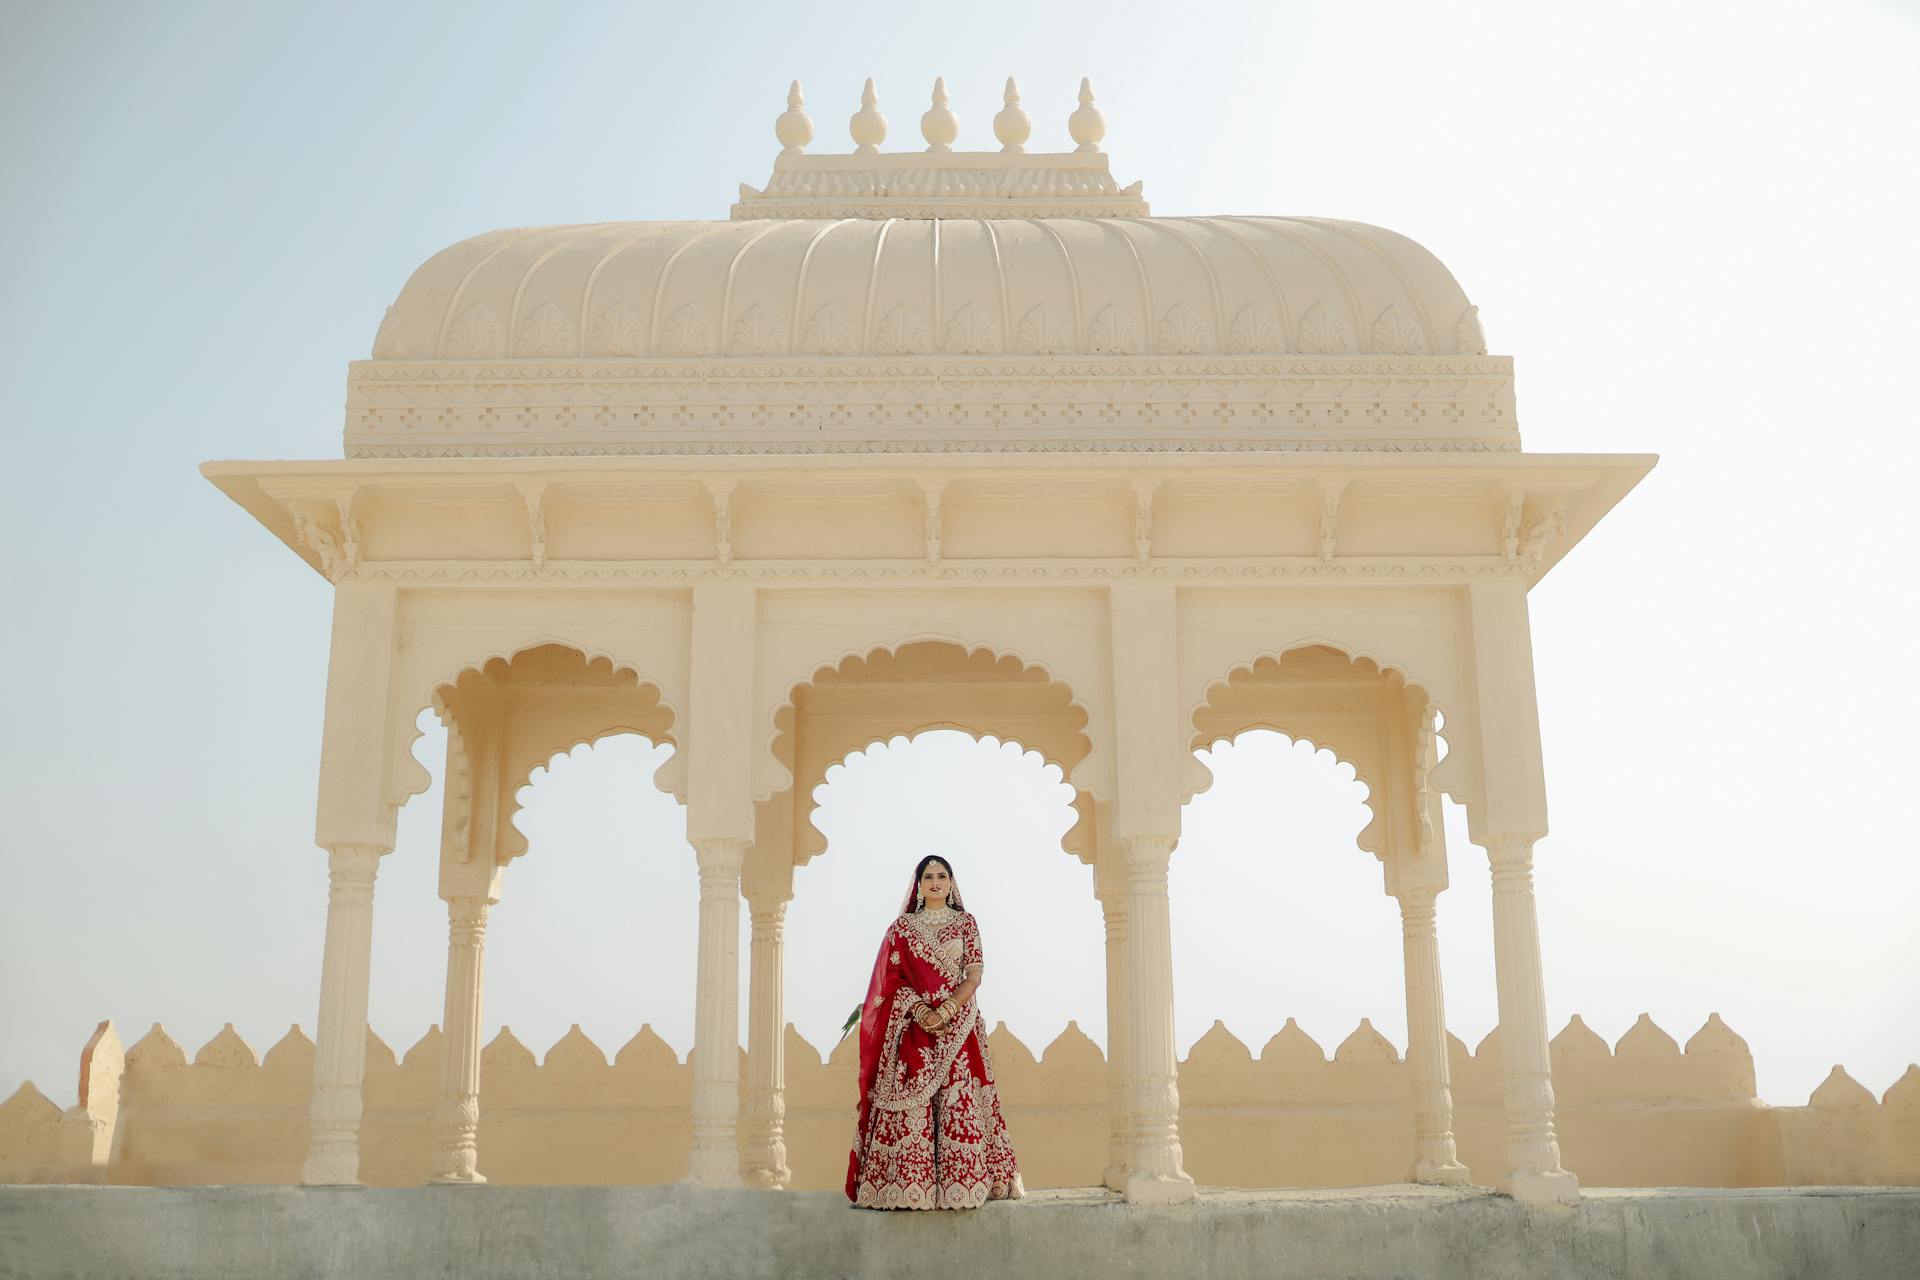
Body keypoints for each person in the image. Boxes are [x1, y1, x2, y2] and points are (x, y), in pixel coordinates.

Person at [845, 854, 1024, 1209]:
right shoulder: (902, 929)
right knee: (913, 1106)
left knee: (959, 1103)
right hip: (914, 1029)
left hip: (959, 1029)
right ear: (919, 885)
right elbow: (890, 984)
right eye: (928, 877)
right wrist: (920, 1010)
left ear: (952, 883)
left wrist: (947, 1008)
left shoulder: (965, 924)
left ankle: (965, 1184)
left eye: (942, 876)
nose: (936, 882)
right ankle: (909, 1186)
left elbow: (974, 974)